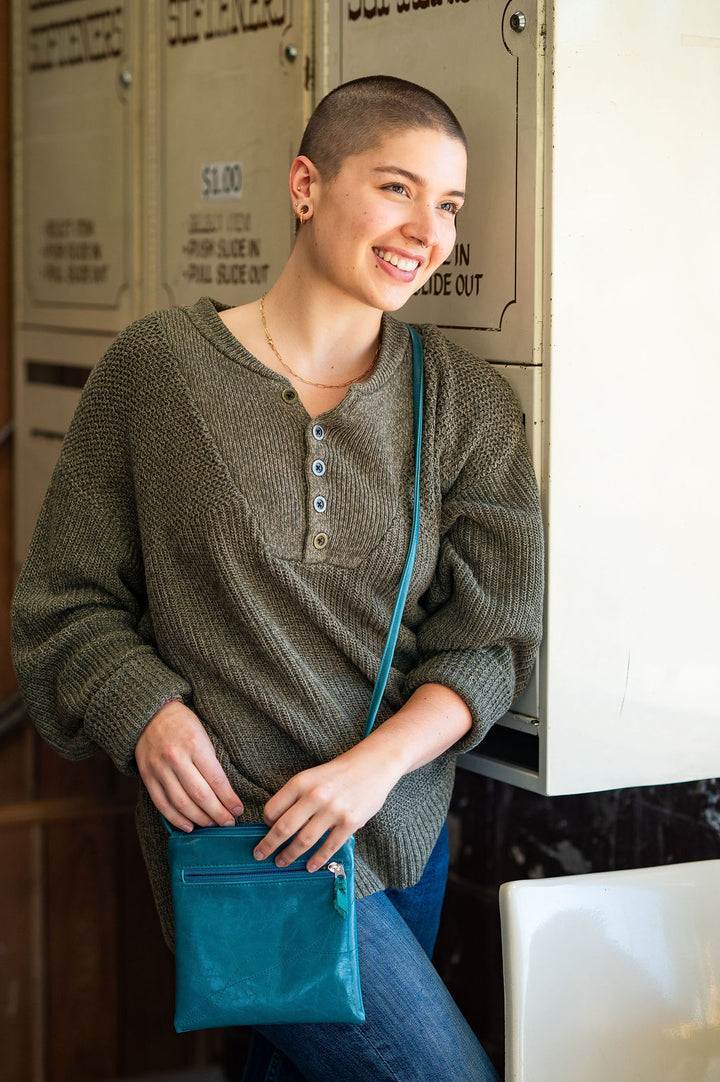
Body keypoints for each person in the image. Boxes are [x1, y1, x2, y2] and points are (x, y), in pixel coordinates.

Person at [11, 76, 543, 1080]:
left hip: (397, 832)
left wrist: (373, 767)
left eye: (449, 205)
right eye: (396, 187)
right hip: (239, 847)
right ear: (307, 185)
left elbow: (493, 638)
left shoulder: (464, 403)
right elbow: (63, 600)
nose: (425, 229)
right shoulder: (158, 371)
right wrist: (145, 709)